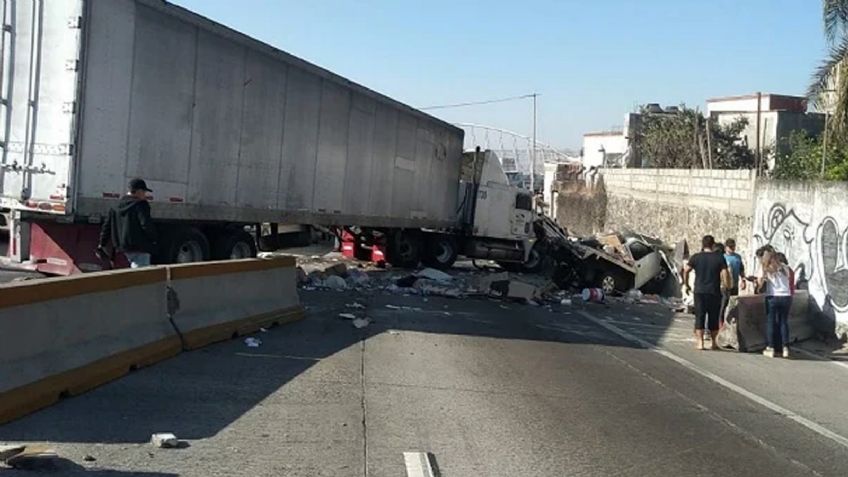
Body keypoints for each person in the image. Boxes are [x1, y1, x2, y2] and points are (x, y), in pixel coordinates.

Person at [683, 235, 730, 350]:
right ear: (713, 245)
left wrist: (686, 284)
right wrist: (727, 285)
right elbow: (725, 273)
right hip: (714, 291)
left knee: (700, 316)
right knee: (714, 316)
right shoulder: (719, 258)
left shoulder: (696, 257)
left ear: (702, 244)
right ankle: (714, 343)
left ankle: (700, 342)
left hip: (699, 291)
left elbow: (686, 270)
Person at [97, 178, 157, 268]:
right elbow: (145, 224)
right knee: (140, 275)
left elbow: (107, 227)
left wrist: (102, 243)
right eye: (144, 192)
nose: (145, 195)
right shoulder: (141, 205)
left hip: (121, 249)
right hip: (139, 248)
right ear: (139, 191)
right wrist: (153, 239)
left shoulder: (115, 207)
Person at [757, 250, 793, 358]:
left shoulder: (765, 268)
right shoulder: (785, 267)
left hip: (772, 296)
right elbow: (789, 278)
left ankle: (771, 347)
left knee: (771, 322)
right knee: (783, 322)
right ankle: (785, 348)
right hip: (786, 296)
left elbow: (760, 283)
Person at [719, 238, 746, 323]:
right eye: (730, 247)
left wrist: (743, 280)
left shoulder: (737, 257)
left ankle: (732, 321)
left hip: (734, 284)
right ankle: (720, 322)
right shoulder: (722, 257)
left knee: (734, 304)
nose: (732, 248)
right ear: (726, 247)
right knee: (723, 304)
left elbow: (741, 269)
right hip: (724, 285)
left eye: (733, 246)